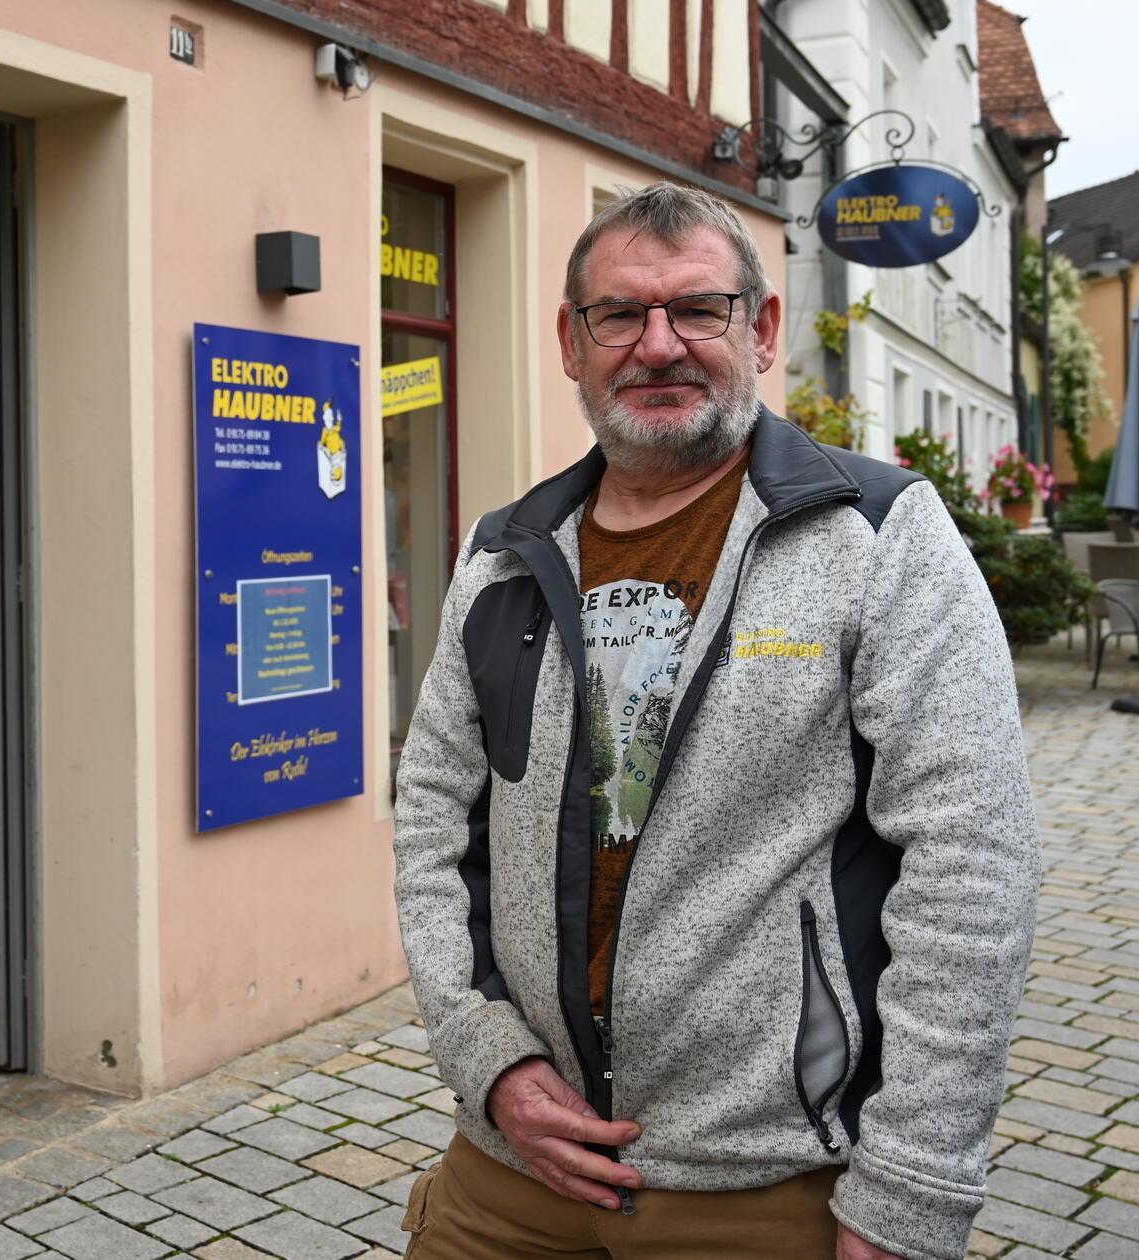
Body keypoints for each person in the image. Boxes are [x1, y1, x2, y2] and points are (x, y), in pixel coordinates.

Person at [390, 182, 1038, 1260]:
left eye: (697, 309)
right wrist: (482, 1056)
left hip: (762, 1187)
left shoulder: (874, 539)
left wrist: (910, 1191)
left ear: (762, 328)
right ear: (570, 341)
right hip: (508, 1172)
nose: (657, 346)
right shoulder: (502, 552)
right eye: (618, 315)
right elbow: (430, 822)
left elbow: (971, 865)